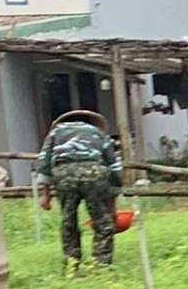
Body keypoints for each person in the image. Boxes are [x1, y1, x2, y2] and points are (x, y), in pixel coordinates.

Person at [35, 109, 122, 273]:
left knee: (69, 221)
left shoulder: (56, 133)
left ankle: (72, 265)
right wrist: (112, 205)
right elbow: (114, 167)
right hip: (94, 173)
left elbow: (43, 163)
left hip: (64, 174)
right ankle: (101, 264)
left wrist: (44, 195)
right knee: (102, 222)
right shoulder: (98, 133)